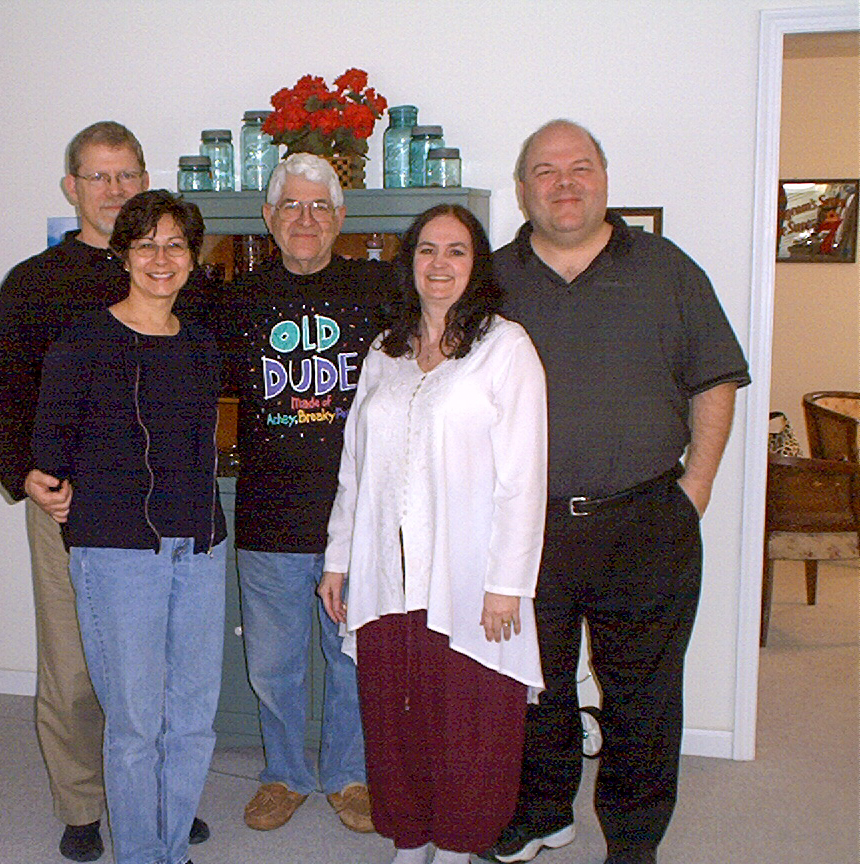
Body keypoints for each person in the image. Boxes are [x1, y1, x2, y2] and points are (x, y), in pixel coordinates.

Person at [480, 120, 750, 864]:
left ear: (604, 177)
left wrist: (692, 491)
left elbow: (716, 378)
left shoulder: (667, 268)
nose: (564, 183)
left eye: (580, 167)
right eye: (545, 170)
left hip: (645, 520)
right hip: (527, 531)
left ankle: (633, 841)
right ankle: (541, 812)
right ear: (522, 187)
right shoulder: (492, 279)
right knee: (534, 686)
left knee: (644, 697)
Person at [0, 122, 206, 862]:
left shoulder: (177, 276)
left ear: (145, 181)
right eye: (99, 177)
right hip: (72, 506)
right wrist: (26, 475)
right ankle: (82, 803)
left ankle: (160, 799)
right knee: (77, 669)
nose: (114, 190)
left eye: (127, 175)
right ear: (72, 186)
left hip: (167, 513)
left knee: (165, 671)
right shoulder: (35, 282)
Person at [318, 204, 548, 864]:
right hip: (388, 574)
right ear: (408, 261)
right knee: (395, 716)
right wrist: (339, 560)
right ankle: (410, 837)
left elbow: (523, 478)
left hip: (469, 576)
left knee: (469, 722)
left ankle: (455, 844)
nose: (439, 264)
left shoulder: (505, 348)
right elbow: (355, 467)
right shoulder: (385, 352)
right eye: (426, 250)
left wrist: (507, 584)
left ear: (477, 265)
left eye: (456, 251)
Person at [32, 190, 227, 864]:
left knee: (193, 721)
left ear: (193, 258)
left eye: (176, 244)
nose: (161, 258)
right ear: (123, 254)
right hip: (117, 556)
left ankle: (172, 848)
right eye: (146, 244)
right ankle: (143, 856)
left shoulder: (203, 345)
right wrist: (51, 489)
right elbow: (49, 449)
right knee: (137, 726)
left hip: (199, 552)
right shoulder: (82, 342)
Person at [224, 153, 395, 833]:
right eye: (291, 205)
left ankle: (351, 775)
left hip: (355, 522)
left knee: (351, 658)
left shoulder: (379, 291)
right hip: (268, 517)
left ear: (340, 219)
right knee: (273, 665)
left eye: (319, 206)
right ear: (268, 219)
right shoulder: (236, 300)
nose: (305, 218)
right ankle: (286, 774)